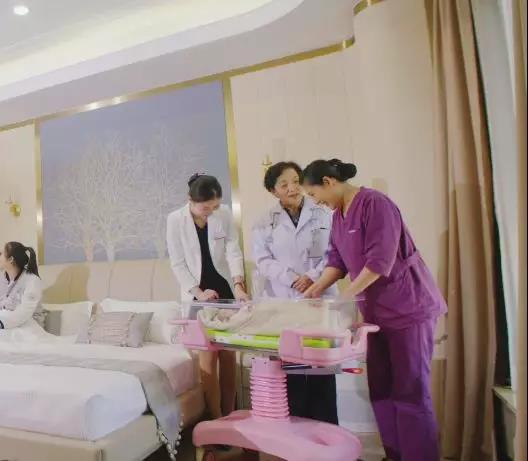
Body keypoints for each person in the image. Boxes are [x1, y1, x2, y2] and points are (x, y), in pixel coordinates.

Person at [300, 159, 446, 461]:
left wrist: (344, 298)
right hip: (376, 316)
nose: (315, 202)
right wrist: (316, 288)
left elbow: (380, 262)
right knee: (381, 389)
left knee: (410, 391)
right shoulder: (338, 216)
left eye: (314, 194)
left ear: (328, 182)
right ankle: (394, 454)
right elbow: (337, 260)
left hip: (408, 309)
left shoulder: (376, 204)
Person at [251, 161, 338, 424]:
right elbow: (262, 260)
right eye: (284, 184)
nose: (292, 188)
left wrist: (312, 277)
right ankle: (299, 435)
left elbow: (335, 251)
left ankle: (326, 433)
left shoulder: (324, 213)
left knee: (322, 369)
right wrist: (291, 279)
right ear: (273, 191)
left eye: (296, 181)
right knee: (294, 371)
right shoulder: (263, 222)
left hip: (320, 293)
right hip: (285, 299)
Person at [165, 173, 248, 420]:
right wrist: (200, 293)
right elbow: (178, 263)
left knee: (229, 354)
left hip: (224, 289)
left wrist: (239, 284)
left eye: (215, 206)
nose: (210, 212)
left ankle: (230, 414)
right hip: (197, 294)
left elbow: (233, 250)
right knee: (208, 356)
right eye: (205, 208)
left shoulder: (224, 214)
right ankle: (215, 417)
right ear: (190, 200)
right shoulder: (175, 220)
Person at [0, 242, 46, 333]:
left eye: (1, 254)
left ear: (10, 259)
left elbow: (25, 311)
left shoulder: (32, 280)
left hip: (25, 325)